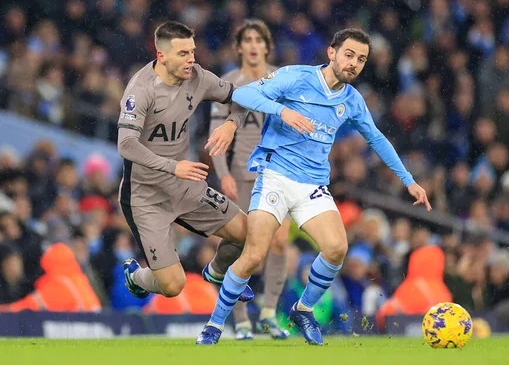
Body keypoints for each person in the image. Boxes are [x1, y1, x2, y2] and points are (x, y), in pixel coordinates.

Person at [198, 28, 431, 345]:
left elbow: (376, 138)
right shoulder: (296, 77)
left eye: (361, 59)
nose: (354, 64)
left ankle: (302, 309)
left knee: (337, 248)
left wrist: (409, 181)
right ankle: (214, 325)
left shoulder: (351, 100)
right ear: (332, 53)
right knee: (254, 255)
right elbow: (242, 94)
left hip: (313, 184)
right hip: (276, 173)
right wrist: (283, 110)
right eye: (349, 55)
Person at [116, 21, 253, 305]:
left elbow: (241, 98)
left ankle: (217, 273)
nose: (191, 59)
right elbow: (126, 144)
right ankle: (137, 277)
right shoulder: (140, 90)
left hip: (184, 185)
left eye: (193, 51)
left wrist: (231, 122)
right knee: (173, 286)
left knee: (249, 232)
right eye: (183, 54)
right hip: (146, 197)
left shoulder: (198, 77)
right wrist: (172, 166)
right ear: (161, 56)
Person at [209, 19, 290, 340]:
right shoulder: (228, 83)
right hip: (241, 175)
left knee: (281, 242)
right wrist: (224, 174)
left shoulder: (282, 80)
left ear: (267, 46)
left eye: (260, 39)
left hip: (276, 173)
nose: (254, 45)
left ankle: (269, 313)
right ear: (239, 47)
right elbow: (216, 135)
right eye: (248, 39)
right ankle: (240, 321)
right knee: (242, 246)